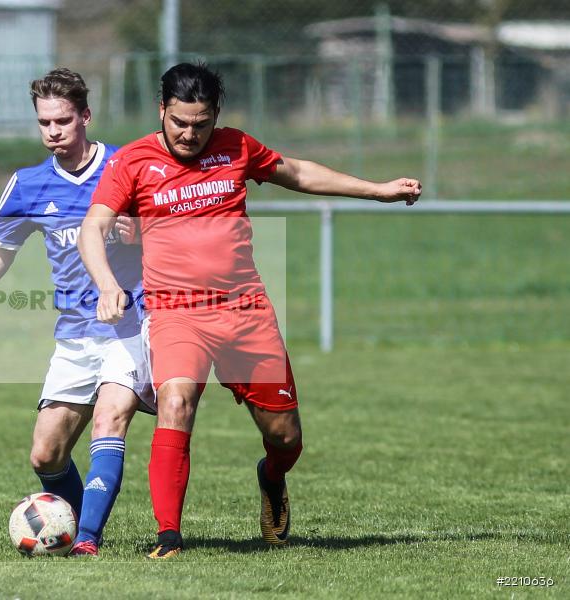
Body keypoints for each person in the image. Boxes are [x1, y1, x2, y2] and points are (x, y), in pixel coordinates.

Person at [78, 62, 421, 559]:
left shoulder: (236, 146)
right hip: (177, 312)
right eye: (179, 122)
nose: (189, 134)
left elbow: (296, 172)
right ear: (161, 110)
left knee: (285, 438)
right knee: (175, 402)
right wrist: (107, 284)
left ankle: (272, 476)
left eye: (201, 123)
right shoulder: (132, 162)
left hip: (245, 310)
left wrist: (378, 189)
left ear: (216, 114)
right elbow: (93, 226)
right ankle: (169, 537)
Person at [0, 68, 154, 557]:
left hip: (133, 324)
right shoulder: (28, 185)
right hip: (75, 335)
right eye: (44, 122)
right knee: (46, 454)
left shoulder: (125, 166)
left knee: (110, 420)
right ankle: (73, 525)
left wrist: (143, 230)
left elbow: (178, 228)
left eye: (63, 120)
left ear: (85, 116)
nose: (53, 131)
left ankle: (86, 540)